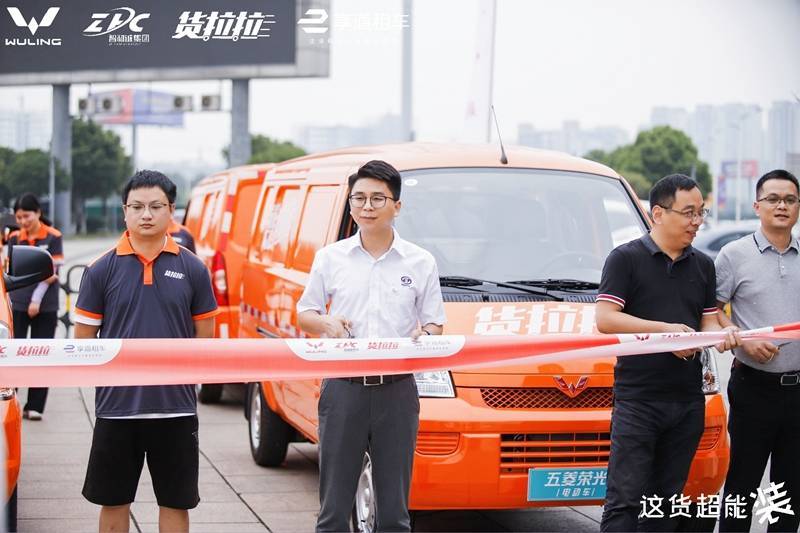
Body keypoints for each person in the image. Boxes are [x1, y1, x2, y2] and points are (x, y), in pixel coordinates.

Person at [296, 160, 446, 532]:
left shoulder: (421, 261)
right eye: (359, 198)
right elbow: (305, 313)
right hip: (343, 389)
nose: (367, 206)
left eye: (377, 198)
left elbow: (434, 323)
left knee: (394, 512)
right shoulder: (331, 258)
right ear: (350, 205)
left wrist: (424, 336)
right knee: (333, 509)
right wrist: (325, 322)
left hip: (397, 392)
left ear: (397, 206)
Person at [74, 170, 218, 533]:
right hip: (117, 410)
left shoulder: (193, 269)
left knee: (175, 501)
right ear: (124, 212)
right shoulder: (100, 270)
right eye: (136, 207)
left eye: (156, 206)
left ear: (172, 210)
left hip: (176, 409)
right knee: (113, 499)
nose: (146, 215)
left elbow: (205, 338)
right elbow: (82, 343)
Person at [596, 174, 740, 532]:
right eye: (688, 212)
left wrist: (724, 334)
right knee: (625, 498)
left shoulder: (703, 266)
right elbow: (606, 318)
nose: (696, 221)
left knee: (665, 498)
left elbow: (708, 322)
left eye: (700, 212)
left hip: (686, 400)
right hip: (639, 399)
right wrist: (665, 332)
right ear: (658, 213)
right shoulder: (625, 259)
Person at [716, 169, 800, 532]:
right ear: (757, 205)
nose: (782, 206)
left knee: (789, 490)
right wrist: (744, 339)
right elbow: (712, 312)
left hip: (798, 390)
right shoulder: (733, 255)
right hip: (753, 386)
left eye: (790, 200)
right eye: (773, 199)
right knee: (742, 485)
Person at [7, 193, 64, 421]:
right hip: (18, 304)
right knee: (14, 353)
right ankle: (12, 400)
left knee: (43, 353)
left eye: (26, 216)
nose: (23, 221)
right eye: (19, 217)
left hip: (45, 305)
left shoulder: (53, 237)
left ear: (38, 213)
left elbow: (53, 272)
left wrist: (36, 300)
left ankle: (36, 405)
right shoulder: (13, 237)